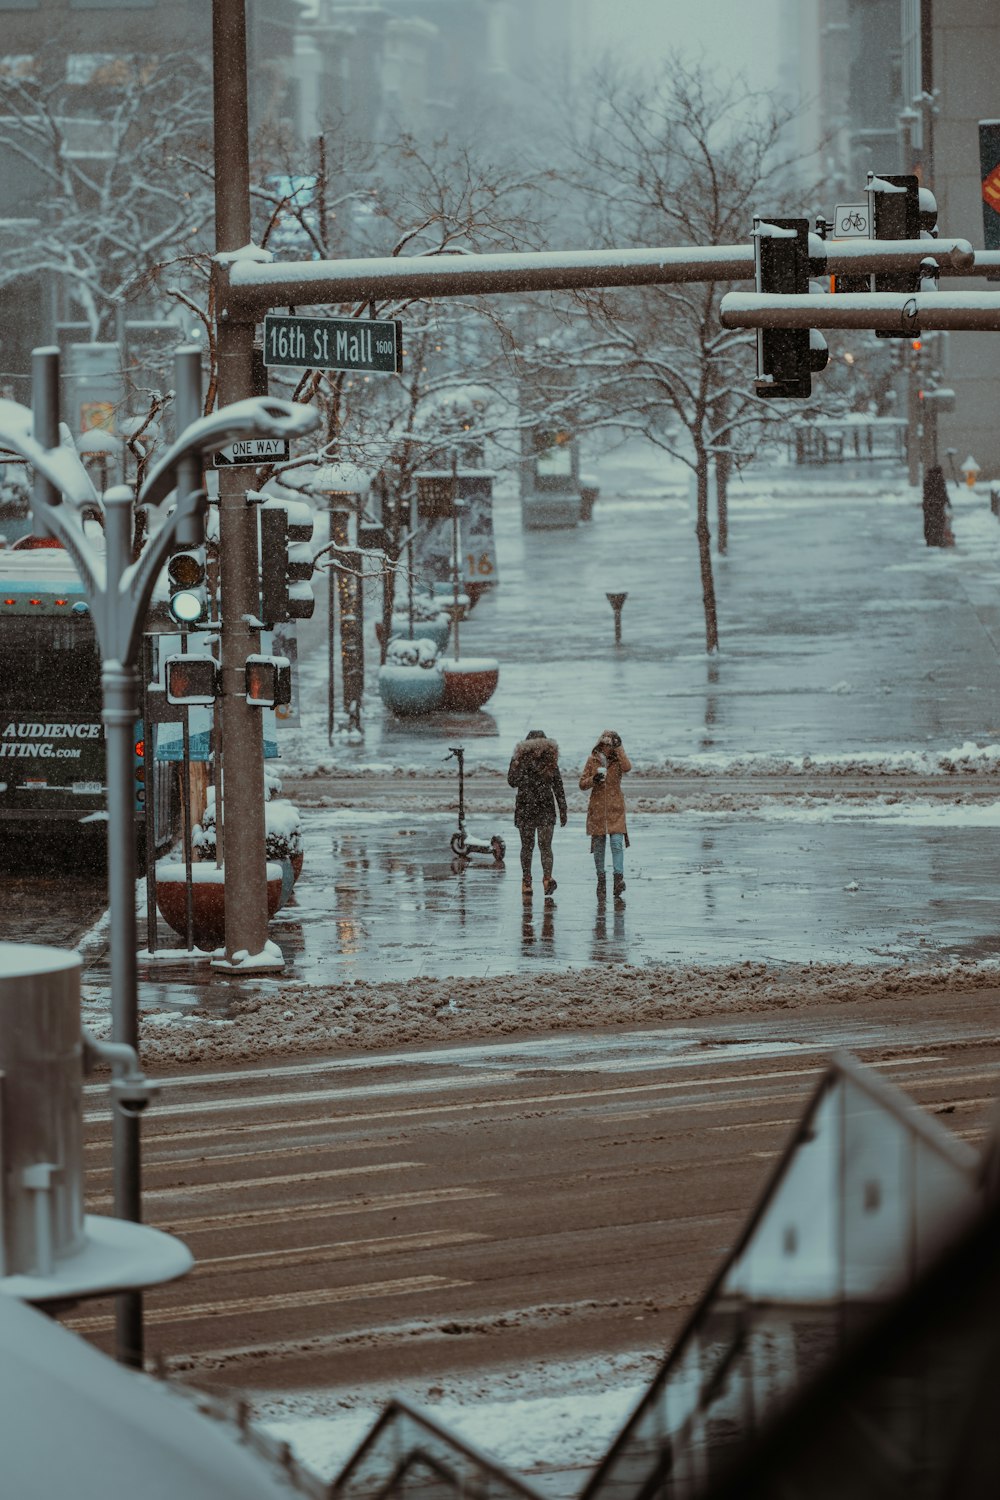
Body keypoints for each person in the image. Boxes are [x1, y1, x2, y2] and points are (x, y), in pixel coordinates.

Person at [507, 729, 567, 898]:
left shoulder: (550, 760)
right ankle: (527, 880)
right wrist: (517, 766)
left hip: (543, 807)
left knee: (543, 845)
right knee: (529, 846)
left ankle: (546, 879)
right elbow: (512, 781)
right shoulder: (519, 759)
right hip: (528, 807)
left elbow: (558, 785)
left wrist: (563, 808)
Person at [579, 729, 631, 903]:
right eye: (605, 744)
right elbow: (582, 783)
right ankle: (601, 879)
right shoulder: (592, 760)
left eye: (611, 744)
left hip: (615, 807)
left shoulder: (618, 761)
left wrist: (620, 747)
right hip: (598, 808)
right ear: (600, 744)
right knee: (599, 845)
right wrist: (593, 779)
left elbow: (627, 767)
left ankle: (618, 879)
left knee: (617, 843)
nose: (607, 748)